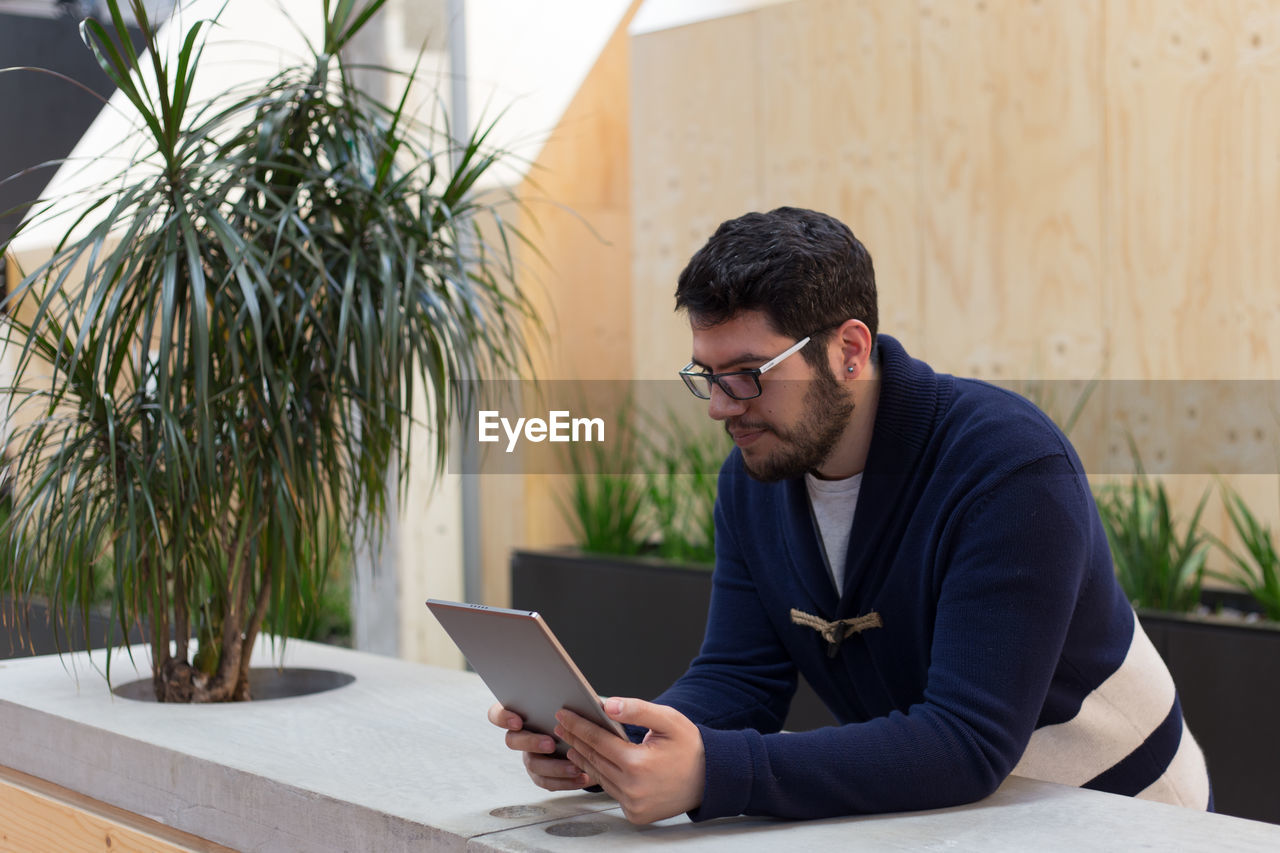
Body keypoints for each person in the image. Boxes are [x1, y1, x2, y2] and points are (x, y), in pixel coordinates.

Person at [488, 207, 1211, 824]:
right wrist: (619, 748)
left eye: (748, 374)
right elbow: (741, 677)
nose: (719, 406)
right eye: (707, 375)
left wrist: (715, 773)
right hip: (969, 811)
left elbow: (966, 740)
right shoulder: (753, 478)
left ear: (850, 351)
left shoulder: (1009, 467)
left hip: (1125, 811)